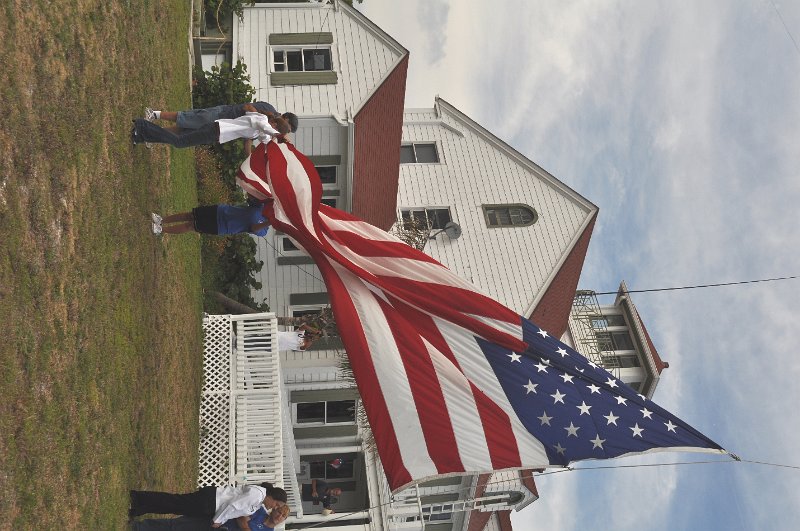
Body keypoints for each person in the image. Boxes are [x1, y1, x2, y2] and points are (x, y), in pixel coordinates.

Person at [129, 482, 287, 528]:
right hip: (211, 501)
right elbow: (232, 506)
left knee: (173, 505)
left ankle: (139, 509)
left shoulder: (258, 501)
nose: (274, 507)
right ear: (273, 496)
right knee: (173, 503)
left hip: (211, 505)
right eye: (276, 504)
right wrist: (218, 520)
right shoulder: (257, 495)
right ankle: (138, 498)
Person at [131, 109, 290, 149]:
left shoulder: (262, 131)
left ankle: (141, 136)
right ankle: (142, 126)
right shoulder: (260, 119)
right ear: (274, 124)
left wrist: (278, 145)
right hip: (216, 129)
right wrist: (280, 136)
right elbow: (265, 128)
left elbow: (266, 141)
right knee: (179, 142)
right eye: (276, 130)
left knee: (179, 141)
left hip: (216, 134)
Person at [145, 104, 298, 134]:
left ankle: (152, 133)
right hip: (223, 114)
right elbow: (247, 107)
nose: (283, 130)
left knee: (183, 130)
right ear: (286, 118)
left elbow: (249, 138)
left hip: (220, 127)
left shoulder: (270, 129)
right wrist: (262, 118)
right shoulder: (269, 111)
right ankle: (154, 114)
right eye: (287, 128)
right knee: (187, 118)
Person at [132, 505, 289, 531]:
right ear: (274, 509)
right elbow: (241, 516)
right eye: (280, 512)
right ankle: (141, 527)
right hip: (216, 522)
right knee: (177, 525)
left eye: (283, 516)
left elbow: (244, 521)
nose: (279, 516)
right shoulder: (260, 510)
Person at [150, 205, 270, 237]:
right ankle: (162, 220)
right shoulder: (262, 206)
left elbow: (254, 228)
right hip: (221, 210)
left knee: (191, 226)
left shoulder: (264, 230)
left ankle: (160, 230)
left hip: (221, 226)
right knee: (190, 215)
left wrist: (271, 222)